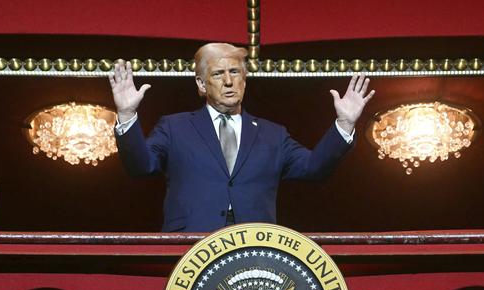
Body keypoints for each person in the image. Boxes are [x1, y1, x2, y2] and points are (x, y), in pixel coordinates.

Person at [109, 43, 374, 232]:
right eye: (217, 74)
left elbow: (314, 168)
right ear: (201, 85)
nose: (228, 81)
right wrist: (127, 114)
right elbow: (141, 167)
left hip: (254, 247)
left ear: (244, 81)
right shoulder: (174, 127)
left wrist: (344, 123)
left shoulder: (272, 134)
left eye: (235, 72)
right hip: (190, 247)